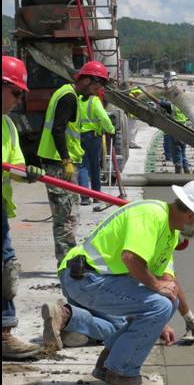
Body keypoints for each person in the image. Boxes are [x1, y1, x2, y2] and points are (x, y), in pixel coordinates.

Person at [43, 179, 194, 385]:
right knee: (159, 305)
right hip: (85, 278)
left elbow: (169, 283)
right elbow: (131, 259)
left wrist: (186, 316)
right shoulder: (151, 214)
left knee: (166, 302)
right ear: (192, 216)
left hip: (97, 280)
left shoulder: (169, 232)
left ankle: (108, 365)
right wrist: (157, 296)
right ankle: (122, 374)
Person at [37, 60, 108, 264]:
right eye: (95, 86)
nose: (95, 92)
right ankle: (66, 263)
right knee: (64, 218)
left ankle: (69, 259)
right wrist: (66, 159)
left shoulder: (67, 94)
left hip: (60, 162)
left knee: (70, 215)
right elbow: (58, 129)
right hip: (59, 164)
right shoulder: (68, 97)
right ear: (86, 80)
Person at [2, 56, 45, 359]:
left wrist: (26, 173)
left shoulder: (7, 125)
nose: (19, 100)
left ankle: (4, 332)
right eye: (16, 92)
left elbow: (15, 165)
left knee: (6, 269)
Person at [78, 93, 115, 205]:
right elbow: (103, 117)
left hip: (79, 136)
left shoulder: (78, 99)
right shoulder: (94, 101)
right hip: (93, 136)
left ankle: (84, 197)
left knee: (82, 166)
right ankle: (96, 196)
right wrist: (111, 130)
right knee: (95, 166)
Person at [159, 99, 190, 174]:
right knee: (183, 152)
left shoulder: (172, 106)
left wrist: (146, 92)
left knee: (176, 151)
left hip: (176, 132)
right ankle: (187, 170)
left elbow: (158, 102)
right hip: (184, 131)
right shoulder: (184, 107)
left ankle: (178, 172)